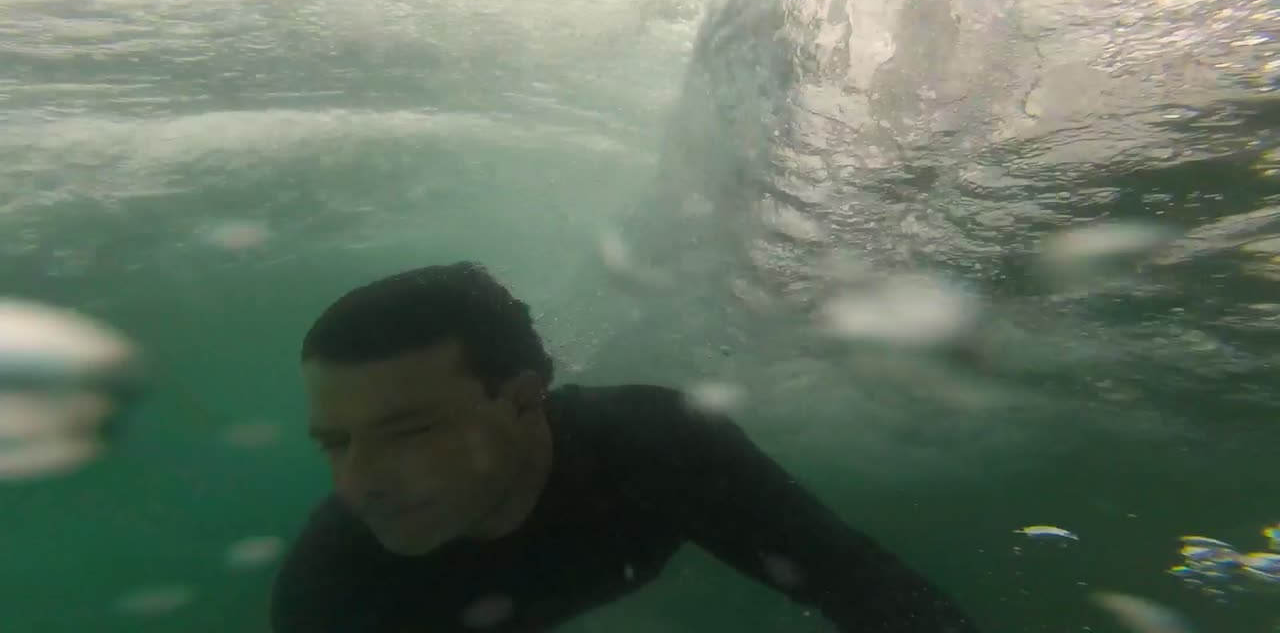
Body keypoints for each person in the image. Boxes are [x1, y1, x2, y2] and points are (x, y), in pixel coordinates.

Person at [271, 262, 980, 633]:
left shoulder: (653, 445)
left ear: (522, 399)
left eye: (408, 431)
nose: (358, 484)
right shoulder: (336, 587)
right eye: (334, 443)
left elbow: (859, 583)